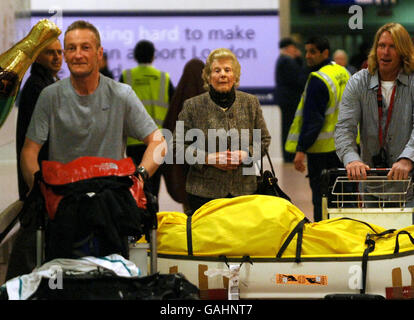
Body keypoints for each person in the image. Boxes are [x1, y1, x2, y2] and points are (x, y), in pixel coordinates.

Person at [7, 20, 166, 280]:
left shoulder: (121, 94)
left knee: (110, 283)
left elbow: (159, 141)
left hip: (111, 208)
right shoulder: (50, 96)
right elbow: (29, 151)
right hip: (65, 209)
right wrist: (39, 189)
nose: (77, 54)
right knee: (65, 284)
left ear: (99, 53)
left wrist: (140, 177)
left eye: (85, 47)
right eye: (71, 48)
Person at [174, 48, 271, 214]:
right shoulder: (192, 106)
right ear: (208, 76)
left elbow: (264, 140)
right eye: (217, 70)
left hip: (244, 192)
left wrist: (245, 154)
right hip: (203, 194)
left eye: (228, 70)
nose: (223, 75)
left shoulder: (250, 103)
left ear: (235, 76)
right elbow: (176, 146)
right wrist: (207, 158)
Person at [335, 23, 414, 206]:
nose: (385, 52)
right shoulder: (358, 82)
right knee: (373, 233)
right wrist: (352, 160)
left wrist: (407, 159)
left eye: (392, 47)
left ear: (403, 51)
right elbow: (344, 128)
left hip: (409, 185)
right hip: (372, 186)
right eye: (381, 46)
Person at [285, 36, 350, 222]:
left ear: (325, 53)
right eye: (306, 51)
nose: (307, 56)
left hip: (322, 152)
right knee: (341, 197)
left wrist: (300, 149)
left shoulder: (318, 80)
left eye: (312, 52)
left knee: (321, 199)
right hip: (345, 147)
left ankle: (323, 235)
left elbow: (313, 120)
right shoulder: (342, 72)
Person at [120, 40, 174, 202]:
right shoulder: (163, 78)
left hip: (133, 141)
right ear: (152, 56)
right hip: (158, 141)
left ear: (135, 56)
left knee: (134, 184)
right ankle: (151, 219)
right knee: (153, 187)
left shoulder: (126, 76)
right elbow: (173, 109)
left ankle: (137, 219)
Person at [15, 39, 62, 201]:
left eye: (59, 52)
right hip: (42, 174)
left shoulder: (48, 82)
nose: (57, 57)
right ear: (36, 57)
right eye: (50, 52)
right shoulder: (38, 87)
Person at [162, 58, 206, 211]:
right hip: (208, 172)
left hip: (183, 168)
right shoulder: (210, 102)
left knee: (189, 208)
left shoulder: (178, 103)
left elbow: (168, 130)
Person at [274, 37, 308, 163]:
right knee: (289, 127)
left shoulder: (282, 60)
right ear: (289, 48)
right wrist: (299, 59)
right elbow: (299, 78)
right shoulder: (288, 61)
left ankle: (288, 154)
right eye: (294, 48)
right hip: (290, 99)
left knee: (286, 126)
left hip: (285, 99)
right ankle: (289, 155)